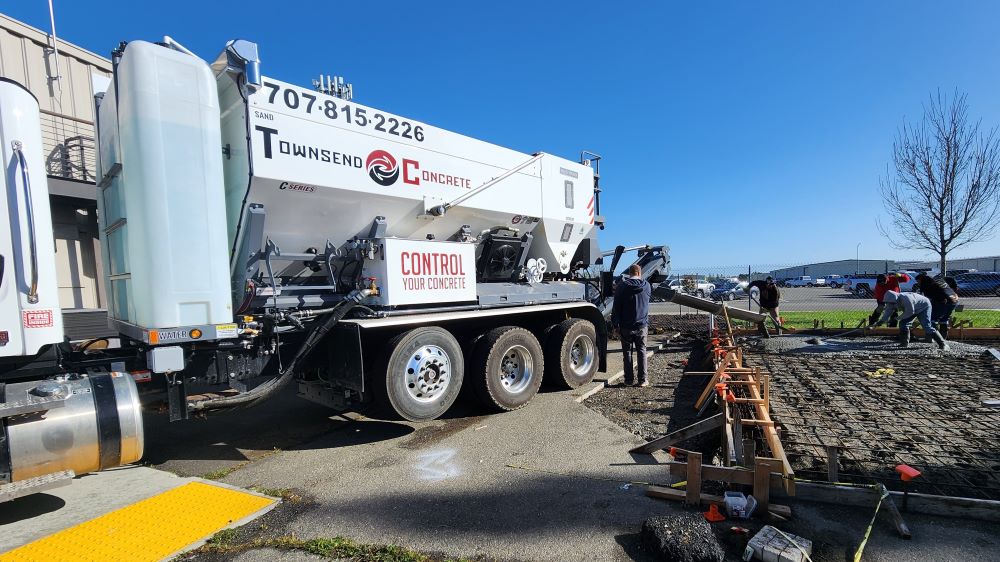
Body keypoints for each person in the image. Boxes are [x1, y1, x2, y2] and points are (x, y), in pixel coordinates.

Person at [611, 264, 651, 387]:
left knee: (627, 353)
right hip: (641, 326)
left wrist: (615, 325)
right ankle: (642, 380)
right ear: (639, 273)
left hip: (625, 326)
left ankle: (628, 380)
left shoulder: (622, 287)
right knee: (642, 352)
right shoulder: (647, 286)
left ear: (629, 273)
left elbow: (616, 307)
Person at [872, 290, 949, 350]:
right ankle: (904, 343)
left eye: (893, 303)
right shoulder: (891, 302)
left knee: (926, 326)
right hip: (912, 309)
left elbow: (910, 312)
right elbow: (887, 313)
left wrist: (897, 318)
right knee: (903, 324)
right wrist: (881, 321)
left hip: (924, 307)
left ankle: (943, 344)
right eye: (889, 303)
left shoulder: (906, 298)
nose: (891, 305)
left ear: (896, 299)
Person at [914, 273, 960, 339]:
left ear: (922, 280)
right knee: (944, 319)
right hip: (954, 301)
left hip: (943, 301)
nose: (918, 283)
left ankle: (933, 338)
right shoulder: (938, 281)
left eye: (918, 281)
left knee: (932, 319)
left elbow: (933, 297)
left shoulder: (928, 286)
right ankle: (943, 338)